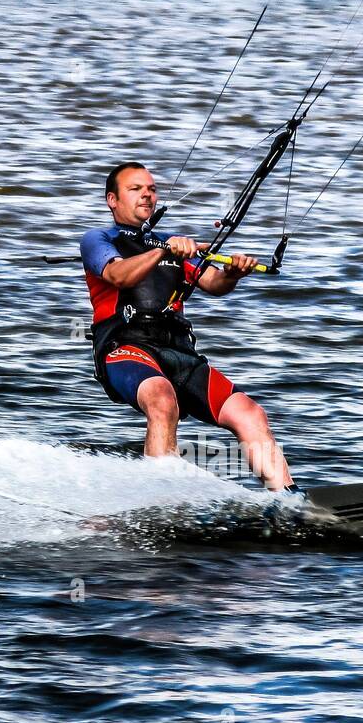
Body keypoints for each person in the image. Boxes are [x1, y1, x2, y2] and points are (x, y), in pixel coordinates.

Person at [80, 161, 300, 493]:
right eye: (135, 189)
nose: (146, 195)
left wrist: (234, 273)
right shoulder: (98, 240)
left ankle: (288, 500)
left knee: (249, 412)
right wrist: (163, 250)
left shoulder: (173, 243)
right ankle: (159, 498)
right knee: (161, 399)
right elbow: (118, 275)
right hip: (126, 347)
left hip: (179, 351)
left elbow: (212, 282)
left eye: (151, 189)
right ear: (112, 199)